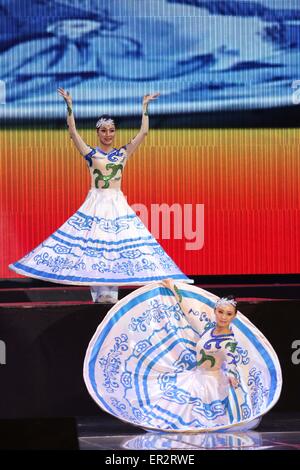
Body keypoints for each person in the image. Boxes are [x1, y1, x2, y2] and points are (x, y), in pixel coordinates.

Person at [9, 90, 193, 303]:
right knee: (93, 246)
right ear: (98, 133)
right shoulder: (91, 154)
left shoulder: (122, 153)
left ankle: (111, 294)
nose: (108, 134)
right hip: (96, 202)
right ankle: (98, 294)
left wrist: (145, 108)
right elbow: (73, 132)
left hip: (116, 203)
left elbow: (143, 133)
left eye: (111, 130)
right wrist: (69, 105)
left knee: (116, 245)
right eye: (104, 130)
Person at [83, 279, 282, 432]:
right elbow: (188, 311)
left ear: (234, 316)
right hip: (196, 376)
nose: (223, 316)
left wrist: (231, 376)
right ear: (215, 312)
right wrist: (173, 289)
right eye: (220, 312)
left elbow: (230, 361)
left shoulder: (229, 340)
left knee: (195, 417)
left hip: (212, 385)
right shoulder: (209, 329)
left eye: (228, 314)